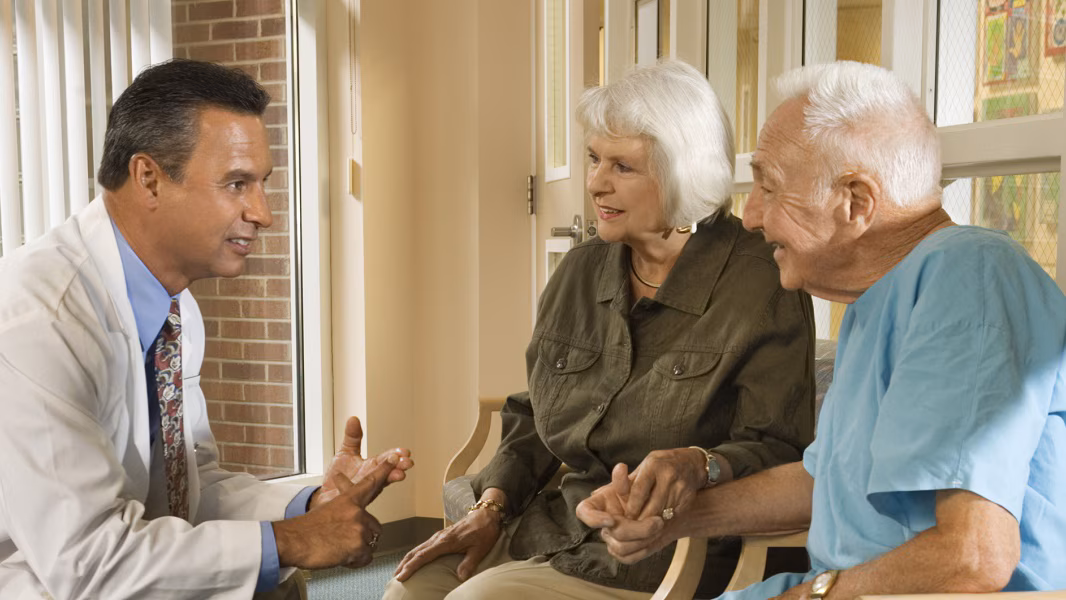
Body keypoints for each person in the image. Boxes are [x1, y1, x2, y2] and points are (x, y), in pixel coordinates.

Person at [577, 61, 1066, 598]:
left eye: (769, 187)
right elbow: (823, 483)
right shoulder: (877, 301)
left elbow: (974, 557)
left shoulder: (969, 279)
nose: (751, 216)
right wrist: (669, 520)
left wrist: (812, 595)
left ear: (856, 202)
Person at [384, 60, 815, 599]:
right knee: (410, 588)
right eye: (593, 159)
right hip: (557, 528)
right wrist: (490, 507)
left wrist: (701, 465)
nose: (594, 183)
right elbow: (535, 413)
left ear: (685, 173)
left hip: (668, 554)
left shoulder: (763, 281)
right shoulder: (581, 270)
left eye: (622, 167)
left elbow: (778, 449)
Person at [0, 59, 414, 599]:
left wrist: (312, 506)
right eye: (237, 184)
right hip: (44, 582)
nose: (263, 213)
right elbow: (88, 563)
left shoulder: (174, 310)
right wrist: (292, 540)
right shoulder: (40, 320)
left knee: (278, 586)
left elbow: (189, 489)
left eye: (262, 184)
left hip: (106, 570)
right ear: (149, 178)